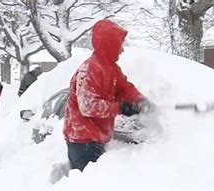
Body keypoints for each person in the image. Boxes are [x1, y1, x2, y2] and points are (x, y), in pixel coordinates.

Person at [62, 19, 150, 172]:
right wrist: (121, 108)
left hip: (96, 137)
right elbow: (88, 107)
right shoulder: (89, 70)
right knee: (88, 185)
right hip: (82, 140)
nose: (122, 50)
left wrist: (139, 100)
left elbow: (124, 87)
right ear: (109, 44)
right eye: (119, 45)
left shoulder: (112, 68)